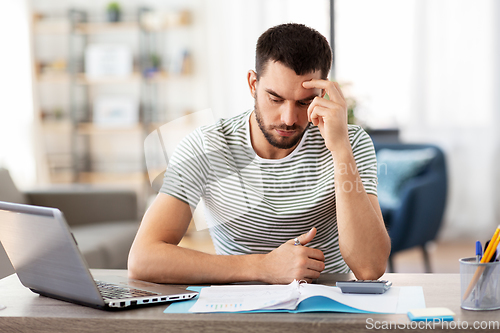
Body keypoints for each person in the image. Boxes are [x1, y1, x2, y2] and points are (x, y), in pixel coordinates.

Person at [128, 23, 390, 284]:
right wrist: (264, 266)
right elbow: (143, 258)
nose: (288, 119)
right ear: (253, 84)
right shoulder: (206, 146)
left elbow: (369, 268)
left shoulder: (350, 142)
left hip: (328, 307)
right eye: (275, 99)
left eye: (304, 102)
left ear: (323, 93)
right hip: (239, 310)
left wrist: (341, 149)